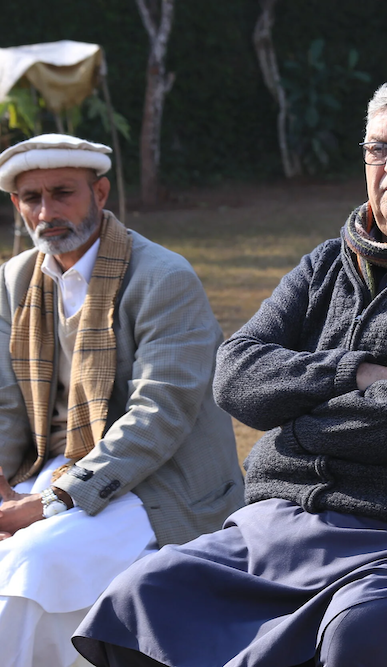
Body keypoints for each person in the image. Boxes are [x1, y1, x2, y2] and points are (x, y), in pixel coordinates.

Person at [73, 75, 387, 667]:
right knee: (139, 595)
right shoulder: (328, 264)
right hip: (283, 529)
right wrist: (353, 373)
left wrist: (294, 426)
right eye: (379, 149)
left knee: (357, 632)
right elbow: (234, 372)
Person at [0, 134, 244, 667]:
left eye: (63, 193)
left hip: (160, 483)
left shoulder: (163, 277)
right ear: (16, 204)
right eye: (32, 198)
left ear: (100, 193)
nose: (47, 212)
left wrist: (48, 502)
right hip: (50, 467)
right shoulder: (16, 279)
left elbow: (159, 414)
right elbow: (5, 403)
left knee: (33, 562)